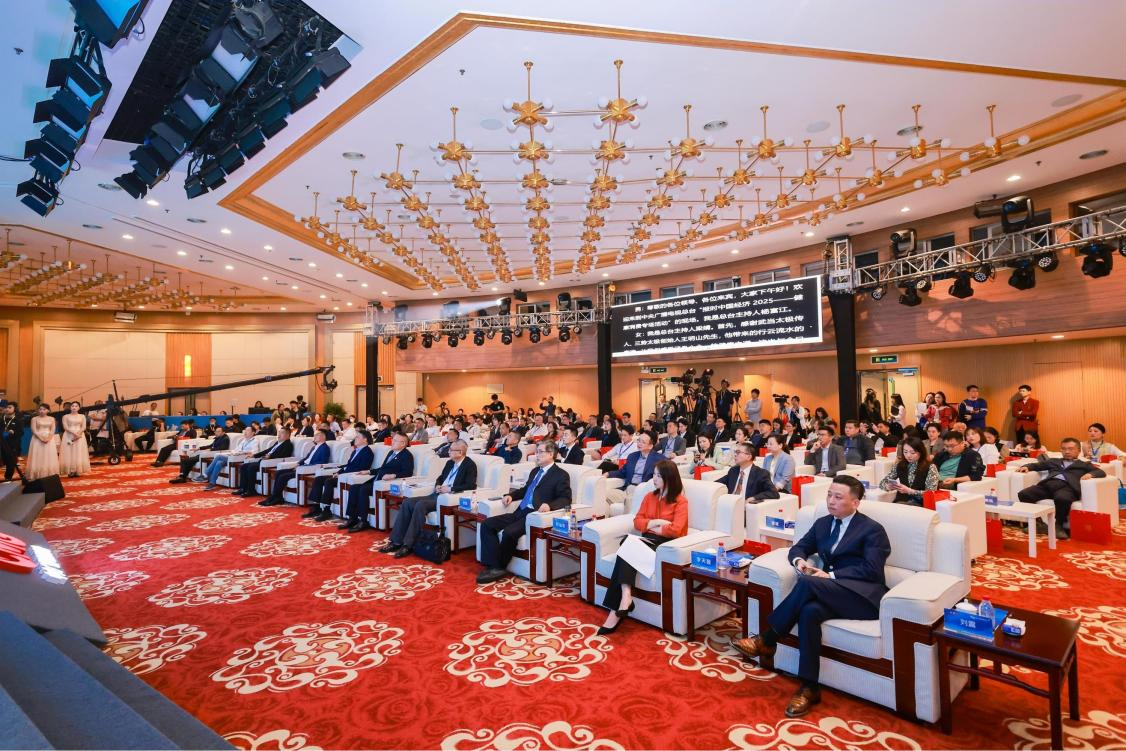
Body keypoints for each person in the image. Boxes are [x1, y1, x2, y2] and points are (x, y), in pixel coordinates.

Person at [732, 475, 890, 717]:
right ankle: (809, 687)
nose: (831, 501)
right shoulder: (823, 524)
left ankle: (768, 638)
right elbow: (799, 547)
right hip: (831, 593)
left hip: (863, 598)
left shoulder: (872, 530)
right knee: (809, 612)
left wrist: (831, 575)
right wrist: (799, 561)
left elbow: (872, 569)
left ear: (855, 502)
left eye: (838, 497)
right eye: (829, 495)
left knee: (808, 583)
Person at [597, 459, 689, 635]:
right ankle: (625, 597)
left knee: (626, 546)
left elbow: (676, 530)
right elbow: (637, 521)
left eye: (658, 476)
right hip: (646, 540)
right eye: (653, 475)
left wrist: (653, 527)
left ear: (669, 477)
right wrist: (655, 523)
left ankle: (617, 610)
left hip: (664, 546)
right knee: (627, 542)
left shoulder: (680, 502)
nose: (654, 479)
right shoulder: (649, 497)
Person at [476, 439, 572, 584]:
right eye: (537, 452)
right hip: (520, 510)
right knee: (487, 524)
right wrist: (511, 496)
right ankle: (492, 564)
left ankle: (498, 567)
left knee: (509, 532)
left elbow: (565, 499)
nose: (536, 455)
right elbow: (526, 489)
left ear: (551, 454)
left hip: (534, 515)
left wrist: (550, 506)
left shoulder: (561, 475)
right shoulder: (535, 471)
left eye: (540, 452)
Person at [378, 440, 477, 553]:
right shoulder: (450, 463)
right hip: (437, 494)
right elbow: (440, 477)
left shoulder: (469, 465)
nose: (448, 452)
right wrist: (438, 485)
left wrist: (450, 489)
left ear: (460, 452)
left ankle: (408, 545)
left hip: (448, 498)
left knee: (421, 505)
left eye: (451, 450)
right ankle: (395, 541)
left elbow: (470, 485)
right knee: (407, 502)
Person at [1016, 438, 1106, 540]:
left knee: (1062, 498)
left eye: (1071, 449)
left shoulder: (1084, 464)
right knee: (1024, 494)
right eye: (1064, 449)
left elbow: (1100, 472)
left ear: (1078, 450)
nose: (1067, 451)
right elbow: (1037, 465)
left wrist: (1090, 474)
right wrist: (1027, 467)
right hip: (1048, 485)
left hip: (1067, 487)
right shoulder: (1054, 461)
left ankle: (1058, 526)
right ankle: (1039, 524)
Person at [338, 432, 414, 528]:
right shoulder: (391, 453)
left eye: (395, 440)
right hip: (377, 480)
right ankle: (352, 518)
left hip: (385, 483)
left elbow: (408, 472)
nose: (392, 442)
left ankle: (363, 521)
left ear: (403, 443)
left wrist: (393, 475)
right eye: (393, 439)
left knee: (363, 489)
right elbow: (382, 468)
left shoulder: (406, 455)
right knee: (354, 488)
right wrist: (369, 471)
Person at [305, 431, 375, 523]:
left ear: (365, 440)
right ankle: (316, 507)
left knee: (329, 481)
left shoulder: (367, 452)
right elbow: (348, 465)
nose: (355, 439)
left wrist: (342, 474)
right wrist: (338, 472)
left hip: (350, 476)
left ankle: (326, 510)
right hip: (344, 474)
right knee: (319, 479)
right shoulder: (355, 451)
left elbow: (361, 468)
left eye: (358, 437)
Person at [261, 429, 332, 506]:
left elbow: (323, 462)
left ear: (323, 437)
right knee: (279, 472)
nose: (314, 437)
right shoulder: (314, 447)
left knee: (283, 476)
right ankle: (276, 497)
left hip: (307, 469)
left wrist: (306, 466)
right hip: (302, 467)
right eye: (314, 435)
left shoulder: (325, 448)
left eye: (316, 435)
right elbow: (306, 458)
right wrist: (298, 463)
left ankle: (276, 497)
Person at [879, 436, 939, 505]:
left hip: (920, 504)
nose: (908, 455)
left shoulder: (930, 467)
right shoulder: (900, 465)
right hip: (900, 502)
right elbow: (882, 483)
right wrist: (888, 486)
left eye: (912, 452)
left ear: (921, 452)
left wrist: (910, 491)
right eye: (905, 452)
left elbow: (931, 494)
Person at [605, 432, 661, 506]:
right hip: (627, 489)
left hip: (642, 492)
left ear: (650, 446)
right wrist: (608, 474)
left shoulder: (659, 459)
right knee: (602, 495)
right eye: (639, 440)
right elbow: (622, 472)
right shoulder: (632, 456)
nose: (639, 444)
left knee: (629, 501)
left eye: (643, 442)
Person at [239, 428, 294, 500]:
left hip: (271, 462)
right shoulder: (277, 443)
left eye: (282, 433)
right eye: (279, 432)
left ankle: (251, 490)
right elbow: (267, 450)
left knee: (251, 467)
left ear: (288, 435)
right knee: (244, 466)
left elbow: (283, 455)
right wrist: (254, 455)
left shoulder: (288, 444)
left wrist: (270, 456)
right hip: (264, 461)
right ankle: (243, 488)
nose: (279, 434)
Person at [26, 404, 60, 481]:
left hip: (49, 439)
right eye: (40, 409)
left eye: (44, 409)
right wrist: (41, 438)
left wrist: (48, 438)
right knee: (38, 455)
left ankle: (49, 473)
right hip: (37, 439)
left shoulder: (52, 419)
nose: (41, 411)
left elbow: (52, 430)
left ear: (48, 410)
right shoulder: (34, 419)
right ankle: (37, 473)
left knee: (48, 455)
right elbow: (34, 430)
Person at [59, 402, 90, 478]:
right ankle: (70, 470)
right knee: (69, 451)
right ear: (70, 407)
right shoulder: (65, 416)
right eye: (72, 406)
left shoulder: (82, 416)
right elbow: (65, 427)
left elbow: (83, 427)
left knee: (78, 451)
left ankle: (78, 470)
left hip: (80, 435)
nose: (74, 407)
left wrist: (78, 434)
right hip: (69, 435)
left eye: (76, 406)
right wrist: (74, 433)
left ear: (79, 408)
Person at [1, 402, 23, 480]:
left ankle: (8, 478)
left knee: (11, 463)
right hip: (1, 444)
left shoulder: (18, 420)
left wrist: (13, 432)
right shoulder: (1, 419)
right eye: (6, 407)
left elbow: (21, 433)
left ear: (15, 409)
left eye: (10, 407)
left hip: (12, 445)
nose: (7, 409)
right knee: (3, 461)